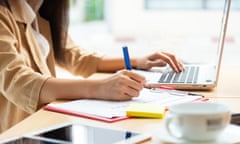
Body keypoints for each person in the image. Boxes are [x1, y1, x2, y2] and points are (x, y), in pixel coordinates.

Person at [0, 0, 183, 133]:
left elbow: (76, 57)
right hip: (18, 131)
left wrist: (138, 61)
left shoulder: (41, 15)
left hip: (43, 125)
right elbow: (18, 82)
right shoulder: (3, 15)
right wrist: (100, 88)